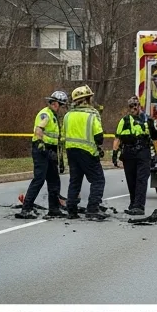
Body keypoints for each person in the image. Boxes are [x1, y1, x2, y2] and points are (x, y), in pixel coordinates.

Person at [15, 90, 69, 219]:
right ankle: (26, 209)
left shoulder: (54, 115)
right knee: (39, 179)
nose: (62, 109)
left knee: (54, 179)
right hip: (42, 150)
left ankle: (54, 209)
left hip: (50, 150)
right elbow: (39, 129)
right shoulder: (46, 114)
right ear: (55, 104)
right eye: (62, 106)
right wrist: (42, 146)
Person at [63, 85, 105, 220]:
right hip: (88, 152)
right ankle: (92, 209)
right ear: (86, 99)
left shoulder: (68, 115)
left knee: (75, 181)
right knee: (98, 181)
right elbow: (99, 137)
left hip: (71, 151)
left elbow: (63, 134)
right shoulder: (92, 115)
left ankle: (71, 210)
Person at [113, 96, 157, 215]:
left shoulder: (148, 120)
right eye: (131, 107)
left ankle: (139, 206)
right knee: (131, 180)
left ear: (139, 106)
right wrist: (114, 155)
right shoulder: (125, 121)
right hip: (129, 153)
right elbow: (117, 138)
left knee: (141, 180)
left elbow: (155, 138)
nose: (133, 109)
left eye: (135, 106)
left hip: (143, 153)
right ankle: (133, 204)